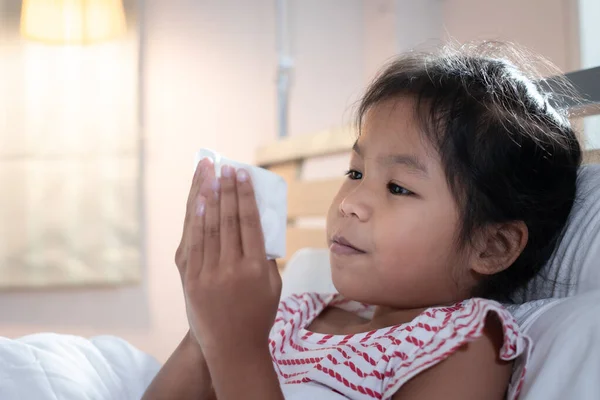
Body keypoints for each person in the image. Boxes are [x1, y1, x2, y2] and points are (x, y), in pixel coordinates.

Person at [142, 43, 582, 400]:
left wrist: (237, 348)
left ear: (492, 247)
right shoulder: (290, 313)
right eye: (355, 173)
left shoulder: (462, 343)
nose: (350, 202)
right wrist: (206, 326)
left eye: (398, 188)